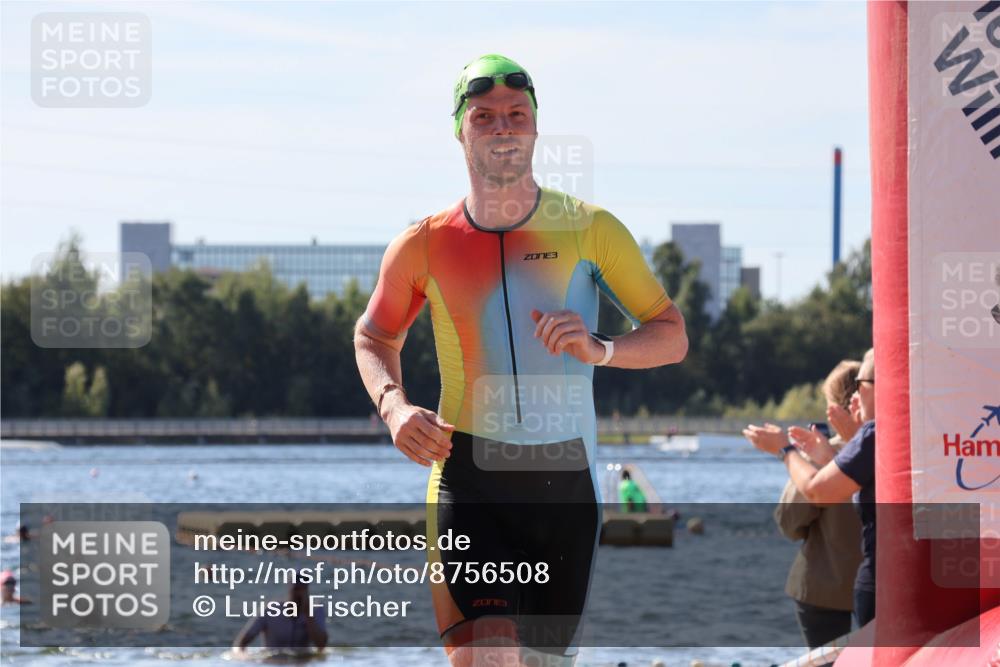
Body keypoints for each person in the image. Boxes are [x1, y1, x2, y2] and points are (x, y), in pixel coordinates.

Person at [354, 54, 688, 667]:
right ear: (460, 131)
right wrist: (393, 405)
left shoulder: (591, 230)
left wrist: (603, 348)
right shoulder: (422, 243)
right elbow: (373, 338)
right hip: (467, 476)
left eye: (517, 115)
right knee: (489, 656)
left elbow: (671, 334)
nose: (503, 128)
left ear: (536, 129)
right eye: (484, 117)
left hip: (564, 483)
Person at [747, 349, 877, 628]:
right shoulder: (895, 438)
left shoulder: (858, 446)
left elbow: (789, 521)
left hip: (827, 592)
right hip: (887, 588)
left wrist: (786, 450)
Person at [233, 582, 327, 655]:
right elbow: (241, 642)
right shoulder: (271, 609)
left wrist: (308, 614)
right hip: (273, 661)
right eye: (295, 589)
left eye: (302, 589)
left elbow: (321, 646)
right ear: (289, 589)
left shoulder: (316, 609)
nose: (298, 594)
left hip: (302, 661)